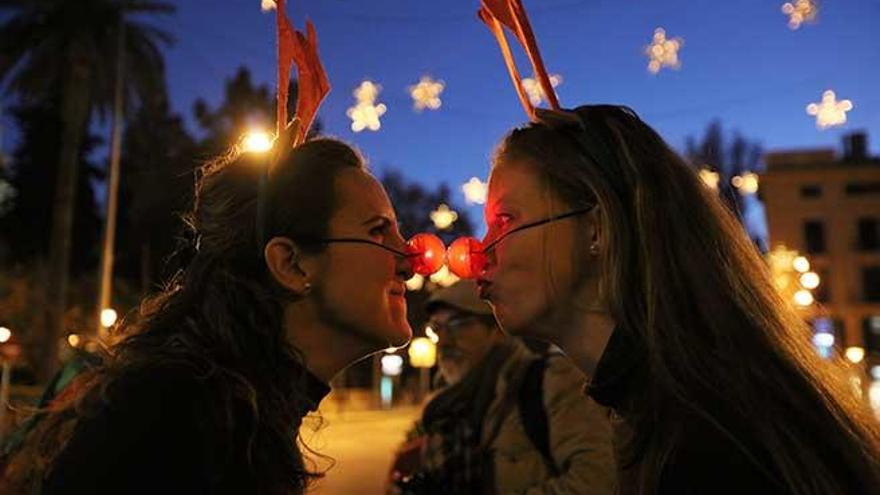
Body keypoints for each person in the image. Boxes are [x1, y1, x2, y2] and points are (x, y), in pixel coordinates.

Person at [475, 105, 880, 494]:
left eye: (505, 221)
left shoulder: (707, 445)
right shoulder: (676, 404)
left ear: (597, 228)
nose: (479, 252)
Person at [1, 137, 415, 495]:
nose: (410, 258)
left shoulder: (229, 410)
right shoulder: (174, 425)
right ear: (291, 264)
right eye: (379, 230)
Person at [390, 280, 615, 494]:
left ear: (497, 330)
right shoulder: (444, 406)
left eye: (459, 325)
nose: (445, 341)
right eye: (437, 328)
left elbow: (597, 481)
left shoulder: (547, 380)